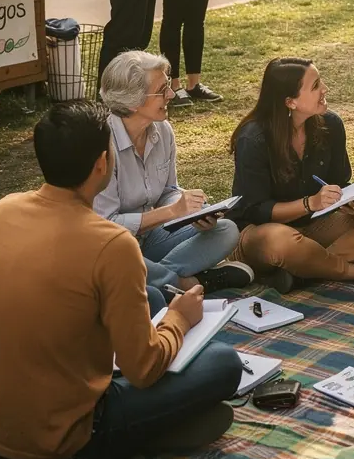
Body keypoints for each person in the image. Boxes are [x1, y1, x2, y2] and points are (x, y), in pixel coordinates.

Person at [0, 101, 242, 459]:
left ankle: (157, 426)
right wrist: (179, 320)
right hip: (58, 444)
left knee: (154, 298)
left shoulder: (6, 209)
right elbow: (142, 370)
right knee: (223, 362)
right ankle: (146, 433)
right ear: (102, 164)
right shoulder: (112, 244)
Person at [231, 58, 354, 292]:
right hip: (264, 231)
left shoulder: (330, 125)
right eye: (315, 86)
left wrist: (349, 200)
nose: (324, 89)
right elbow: (254, 209)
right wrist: (310, 203)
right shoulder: (254, 139)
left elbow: (339, 181)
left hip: (316, 225)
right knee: (282, 243)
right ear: (290, 102)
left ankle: (305, 270)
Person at [96, 51, 252, 293]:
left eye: (168, 85)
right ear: (132, 101)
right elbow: (106, 227)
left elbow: (168, 190)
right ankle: (187, 282)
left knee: (226, 229)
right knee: (119, 257)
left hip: (154, 240)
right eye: (161, 90)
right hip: (115, 246)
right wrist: (172, 211)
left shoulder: (163, 130)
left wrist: (194, 211)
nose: (170, 94)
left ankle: (157, 280)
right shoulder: (102, 145)